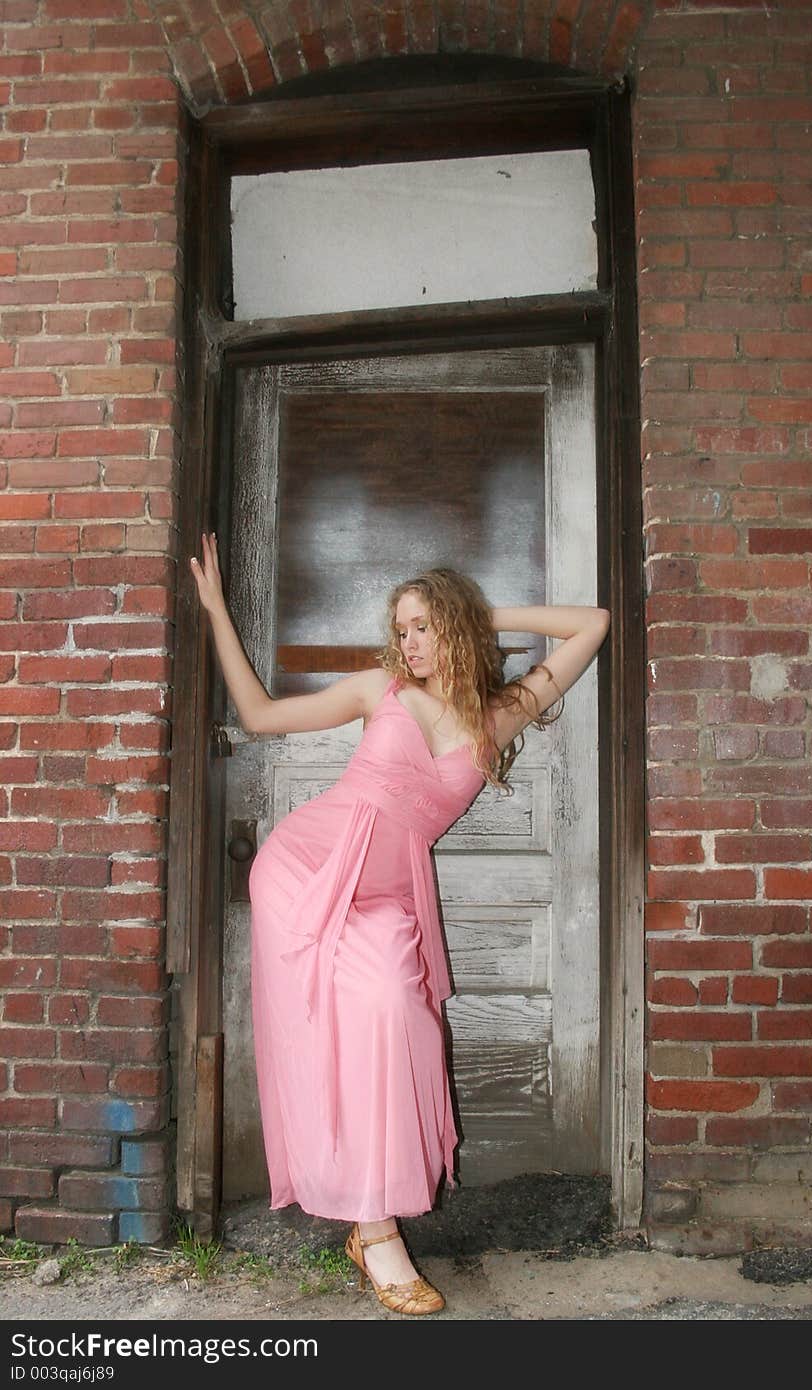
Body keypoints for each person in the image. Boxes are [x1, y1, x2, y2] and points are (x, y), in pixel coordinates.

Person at [190, 534, 611, 1315]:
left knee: (396, 1013)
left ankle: (371, 1213)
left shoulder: (501, 716)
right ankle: (375, 1232)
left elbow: (594, 623)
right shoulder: (379, 689)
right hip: (306, 871)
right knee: (331, 1037)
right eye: (403, 627)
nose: (410, 642)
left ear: (453, 625)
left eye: (424, 624)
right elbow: (259, 712)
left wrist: (484, 613)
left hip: (386, 899)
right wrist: (218, 610)